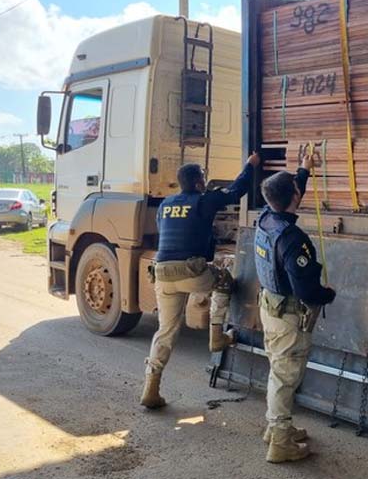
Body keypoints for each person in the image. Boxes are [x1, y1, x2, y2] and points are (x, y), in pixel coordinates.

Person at [140, 153, 262, 409]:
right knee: (225, 282)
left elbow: (170, 234)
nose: (205, 183)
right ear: (197, 183)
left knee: (166, 331)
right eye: (203, 179)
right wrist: (250, 166)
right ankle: (217, 337)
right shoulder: (205, 200)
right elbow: (236, 190)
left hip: (162, 273)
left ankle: (151, 388)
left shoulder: (165, 205)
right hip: (191, 273)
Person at [254, 152, 336, 463]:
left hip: (270, 308)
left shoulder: (265, 217)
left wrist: (304, 169)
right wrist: (327, 295)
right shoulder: (292, 239)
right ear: (295, 197)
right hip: (288, 315)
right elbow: (306, 289)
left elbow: (286, 193)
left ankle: (277, 429)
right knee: (286, 376)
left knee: (278, 370)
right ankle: (280, 443)